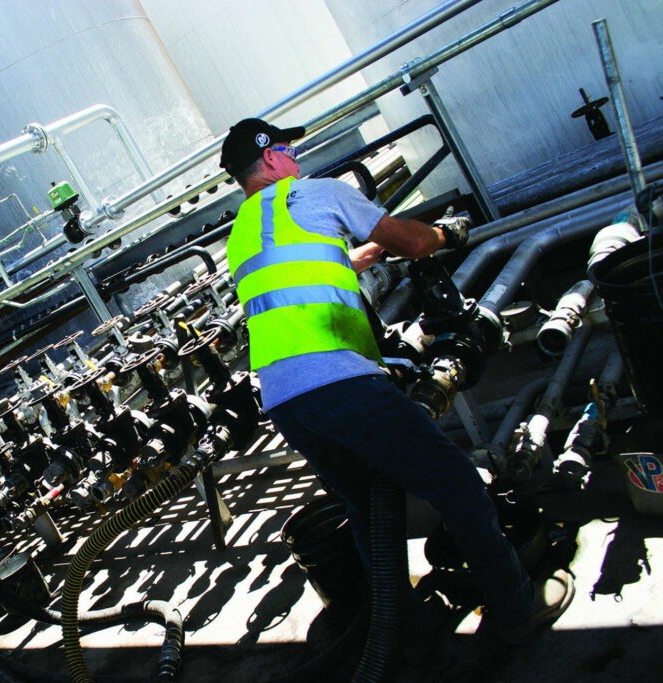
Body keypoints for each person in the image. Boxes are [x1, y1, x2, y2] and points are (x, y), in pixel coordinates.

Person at [219, 117, 573, 645]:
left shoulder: (241, 233)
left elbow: (309, 265)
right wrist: (444, 234)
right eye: (289, 150)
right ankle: (516, 610)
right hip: (340, 381)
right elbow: (410, 239)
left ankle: (402, 630)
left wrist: (364, 253)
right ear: (269, 158)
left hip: (286, 401)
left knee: (367, 508)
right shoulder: (318, 194)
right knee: (458, 486)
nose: (296, 159)